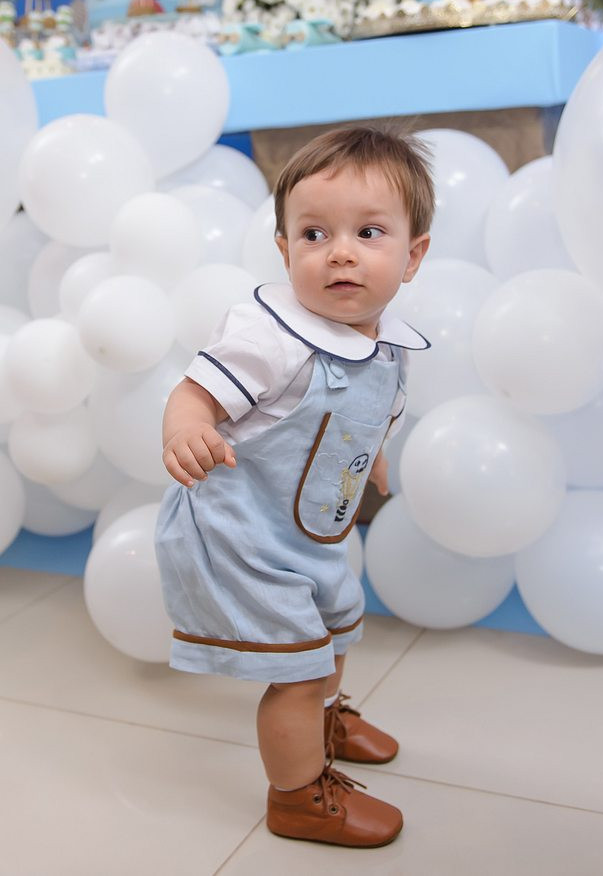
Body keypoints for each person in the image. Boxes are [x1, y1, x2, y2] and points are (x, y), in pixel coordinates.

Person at [155, 126, 435, 848]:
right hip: (240, 532)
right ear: (285, 251)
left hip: (307, 531)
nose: (339, 252)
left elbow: (370, 412)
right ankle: (297, 797)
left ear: (413, 254)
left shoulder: (387, 343)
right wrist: (187, 426)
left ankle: (325, 721)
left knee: (337, 625)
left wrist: (373, 458)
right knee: (299, 669)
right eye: (314, 234)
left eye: (368, 232)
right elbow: (195, 391)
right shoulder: (269, 335)